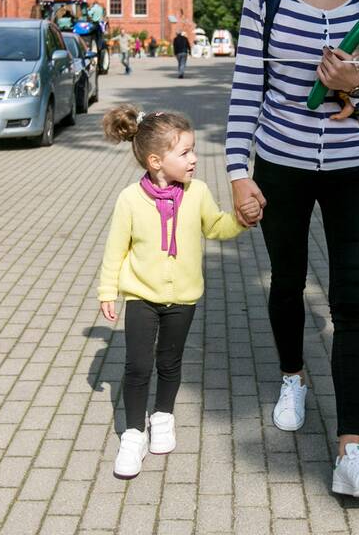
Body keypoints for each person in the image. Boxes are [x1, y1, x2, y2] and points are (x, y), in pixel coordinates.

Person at [224, 0, 359, 499]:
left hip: (354, 165)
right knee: (289, 282)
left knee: (353, 302)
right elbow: (246, 87)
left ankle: (352, 451)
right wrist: (238, 173)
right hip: (282, 160)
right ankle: (293, 374)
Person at [99, 106, 259, 479]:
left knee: (169, 362)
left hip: (184, 297)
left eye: (193, 150)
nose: (194, 159)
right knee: (137, 366)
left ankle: (163, 416)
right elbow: (115, 250)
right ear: (156, 161)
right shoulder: (129, 200)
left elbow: (215, 227)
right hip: (141, 295)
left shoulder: (198, 192)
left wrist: (240, 219)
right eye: (184, 152)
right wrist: (108, 291)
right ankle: (134, 434)